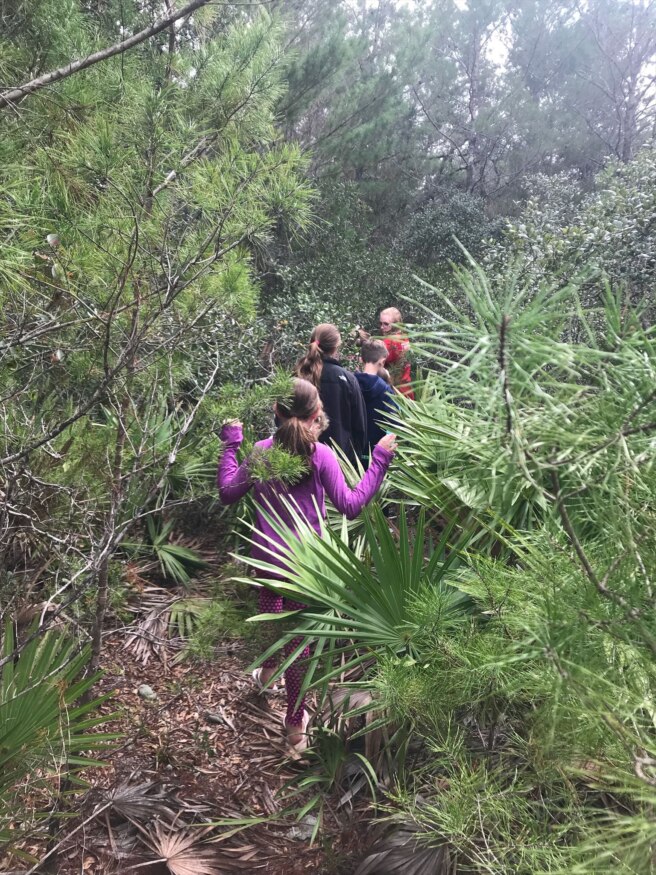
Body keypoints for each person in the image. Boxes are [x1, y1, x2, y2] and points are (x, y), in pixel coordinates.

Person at [217, 378, 396, 750]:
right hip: (307, 567)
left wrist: (232, 444)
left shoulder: (262, 452)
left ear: (276, 410)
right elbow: (351, 505)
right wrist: (379, 458)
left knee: (271, 614)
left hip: (267, 559)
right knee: (300, 645)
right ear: (316, 414)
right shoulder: (320, 455)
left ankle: (267, 674)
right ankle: (295, 726)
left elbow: (228, 493)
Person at [295, 323, 366, 465]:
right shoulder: (347, 379)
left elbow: (282, 418)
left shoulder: (298, 375)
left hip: (299, 460)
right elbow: (360, 427)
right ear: (336, 347)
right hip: (339, 462)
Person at [355, 339, 399, 460]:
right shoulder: (386, 391)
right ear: (383, 362)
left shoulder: (349, 384)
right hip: (375, 456)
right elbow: (394, 424)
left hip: (349, 455)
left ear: (361, 359)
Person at [379, 307, 414, 399]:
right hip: (406, 389)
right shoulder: (404, 337)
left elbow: (374, 360)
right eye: (381, 323)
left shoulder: (390, 342)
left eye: (386, 324)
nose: (382, 327)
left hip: (394, 391)